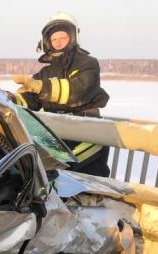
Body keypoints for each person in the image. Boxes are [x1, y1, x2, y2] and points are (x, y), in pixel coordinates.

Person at [12, 13, 111, 176]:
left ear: (73, 38)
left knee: (71, 172)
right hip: (57, 131)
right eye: (54, 39)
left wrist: (40, 87)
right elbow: (31, 98)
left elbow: (78, 92)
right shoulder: (46, 71)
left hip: (87, 131)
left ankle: (93, 198)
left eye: (62, 38)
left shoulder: (88, 64)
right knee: (39, 169)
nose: (58, 42)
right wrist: (10, 99)